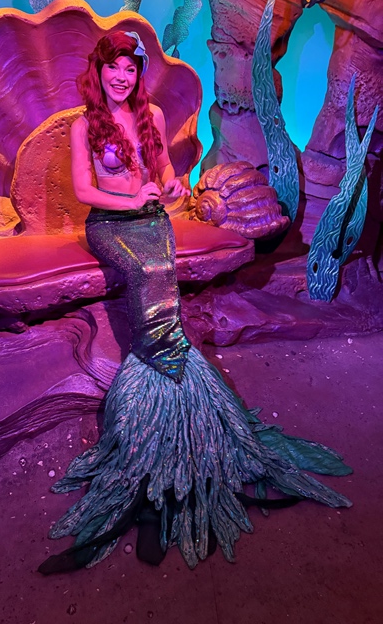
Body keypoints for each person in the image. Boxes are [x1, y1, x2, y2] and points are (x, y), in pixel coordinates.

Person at [38, 30, 351, 574]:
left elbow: (162, 172)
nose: (122, 77)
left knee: (162, 272)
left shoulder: (153, 116)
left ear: (137, 74)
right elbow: (85, 191)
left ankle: (167, 463)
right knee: (146, 274)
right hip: (109, 224)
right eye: (113, 67)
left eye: (130, 69)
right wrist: (129, 198)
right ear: (99, 71)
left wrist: (172, 187)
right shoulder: (85, 124)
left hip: (152, 219)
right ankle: (151, 466)